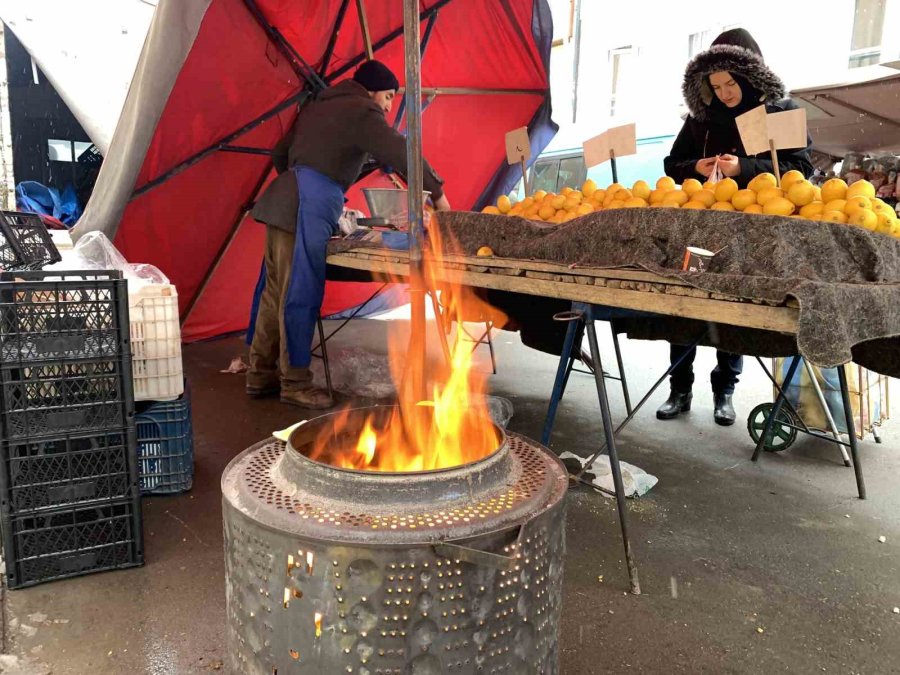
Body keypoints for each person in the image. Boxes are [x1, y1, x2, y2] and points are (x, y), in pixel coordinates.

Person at [246, 60, 450, 409]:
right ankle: (294, 383)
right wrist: (438, 194)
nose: (387, 106)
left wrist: (303, 179)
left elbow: (282, 153)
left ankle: (260, 375)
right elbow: (402, 152)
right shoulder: (361, 110)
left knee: (275, 292)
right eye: (387, 96)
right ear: (372, 91)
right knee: (300, 292)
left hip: (282, 200)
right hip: (304, 206)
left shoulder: (318, 105)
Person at [657, 28, 814, 426]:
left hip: (749, 233)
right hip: (699, 231)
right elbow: (671, 164)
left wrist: (743, 168)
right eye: (715, 85)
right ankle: (679, 387)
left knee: (733, 308)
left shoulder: (779, 112)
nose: (724, 92)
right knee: (686, 303)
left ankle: (725, 391)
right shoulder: (700, 118)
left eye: (730, 82)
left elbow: (801, 170)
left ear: (749, 75)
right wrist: (697, 166)